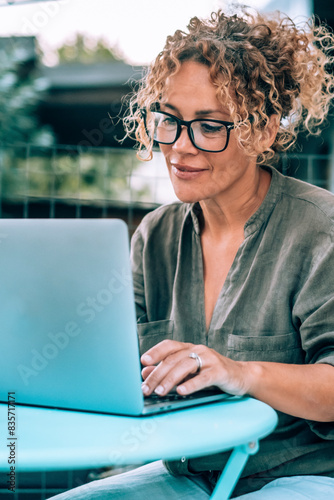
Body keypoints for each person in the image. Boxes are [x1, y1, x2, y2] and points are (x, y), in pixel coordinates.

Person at [50, 7, 334, 500]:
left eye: (209, 126)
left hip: (301, 475)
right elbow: (122, 368)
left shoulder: (319, 230)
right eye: (170, 121)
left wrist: (240, 372)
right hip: (189, 474)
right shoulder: (156, 236)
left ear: (263, 131)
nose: (180, 148)